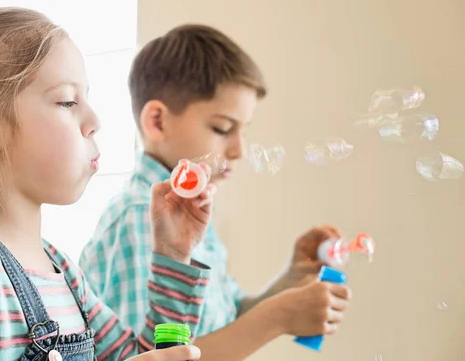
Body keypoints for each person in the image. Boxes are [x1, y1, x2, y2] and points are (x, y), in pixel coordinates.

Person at [0, 8, 218, 361]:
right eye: (67, 101)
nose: (94, 120)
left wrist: (173, 254)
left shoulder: (62, 271)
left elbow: (147, 356)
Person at [80, 24, 352, 360]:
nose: (239, 150)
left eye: (244, 131)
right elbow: (158, 356)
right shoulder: (140, 219)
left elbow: (228, 320)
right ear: (158, 122)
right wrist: (279, 317)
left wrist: (290, 280)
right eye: (223, 128)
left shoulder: (188, 216)